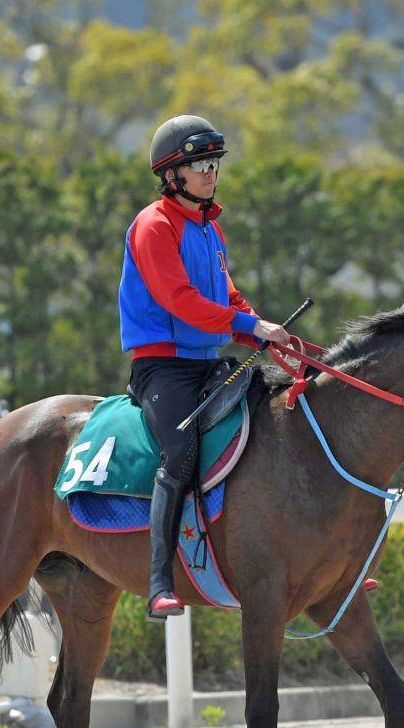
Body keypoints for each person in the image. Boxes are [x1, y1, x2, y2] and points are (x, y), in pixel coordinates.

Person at [119, 114, 290, 621]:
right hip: (163, 370)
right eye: (199, 165)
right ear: (173, 175)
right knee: (182, 449)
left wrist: (269, 332)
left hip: (208, 363)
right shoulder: (154, 226)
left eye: (213, 162)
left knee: (275, 418)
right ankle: (157, 583)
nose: (210, 172)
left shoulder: (209, 229)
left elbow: (228, 299)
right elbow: (180, 301)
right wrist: (252, 329)